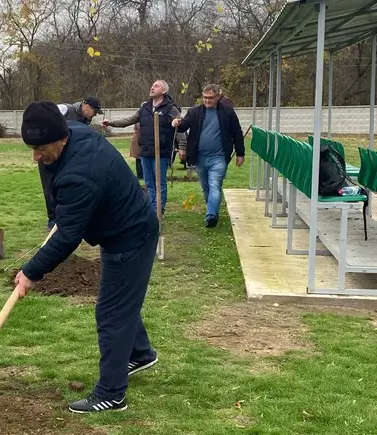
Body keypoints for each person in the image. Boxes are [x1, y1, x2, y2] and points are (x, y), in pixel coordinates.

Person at [14, 101, 160, 414]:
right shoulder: (72, 133)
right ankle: (141, 353)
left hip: (130, 238)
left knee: (111, 312)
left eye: (40, 148)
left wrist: (30, 272)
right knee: (122, 301)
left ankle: (111, 393)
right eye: (31, 147)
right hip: (119, 228)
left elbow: (68, 237)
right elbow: (52, 183)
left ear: (59, 139)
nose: (35, 156)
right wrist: (55, 216)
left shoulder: (81, 173)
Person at [102, 80, 181, 214]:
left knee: (159, 183)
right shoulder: (145, 107)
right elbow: (130, 120)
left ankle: (159, 210)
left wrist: (175, 122)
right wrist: (111, 123)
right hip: (145, 150)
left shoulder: (170, 107)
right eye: (152, 85)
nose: (152, 87)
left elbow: (179, 121)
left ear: (163, 91)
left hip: (161, 151)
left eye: (156, 86)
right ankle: (151, 208)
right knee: (149, 183)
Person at [172, 83, 245, 228]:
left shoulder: (228, 112)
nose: (207, 101)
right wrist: (176, 123)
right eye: (205, 98)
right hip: (200, 157)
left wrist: (240, 153)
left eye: (210, 98)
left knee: (215, 184)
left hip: (219, 157)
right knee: (206, 187)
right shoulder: (195, 112)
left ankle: (211, 215)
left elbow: (237, 133)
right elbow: (184, 125)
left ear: (218, 97)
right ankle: (213, 211)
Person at [39, 97, 103, 230]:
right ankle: (52, 220)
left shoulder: (84, 121)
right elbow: (43, 118)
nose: (94, 115)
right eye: (94, 111)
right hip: (48, 154)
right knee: (49, 187)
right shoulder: (65, 109)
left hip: (67, 157)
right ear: (86, 107)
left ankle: (66, 217)